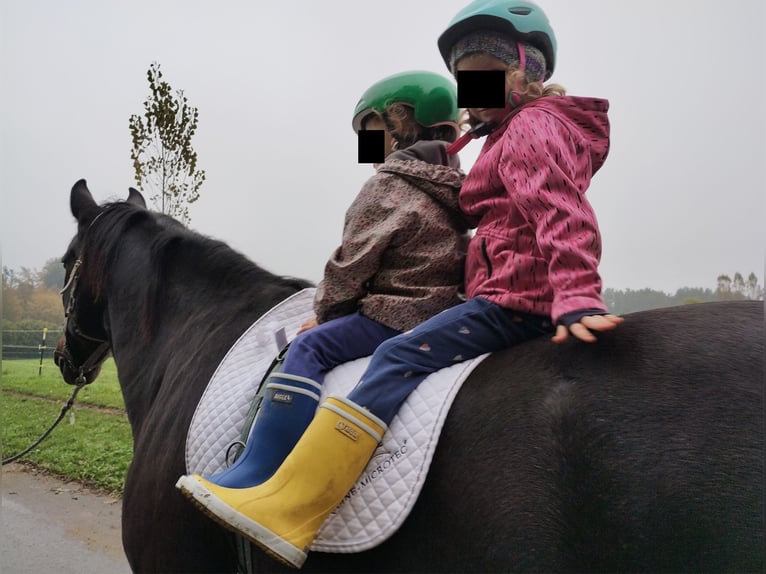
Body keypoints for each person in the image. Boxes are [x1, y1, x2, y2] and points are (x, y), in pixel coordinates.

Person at [176, 1, 623, 567]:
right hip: (498, 291)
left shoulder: (529, 129)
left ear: (526, 70)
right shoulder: (497, 138)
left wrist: (577, 296)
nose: (471, 87)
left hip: (514, 300)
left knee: (393, 356)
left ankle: (294, 502)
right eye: (465, 78)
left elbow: (560, 209)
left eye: (485, 71)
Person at [178, 71, 468, 493]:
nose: (365, 146)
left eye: (371, 131)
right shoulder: (454, 190)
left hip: (392, 315)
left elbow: (351, 266)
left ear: (402, 121)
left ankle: (259, 467)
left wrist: (327, 314)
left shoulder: (386, 184)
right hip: (442, 315)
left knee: (309, 346)